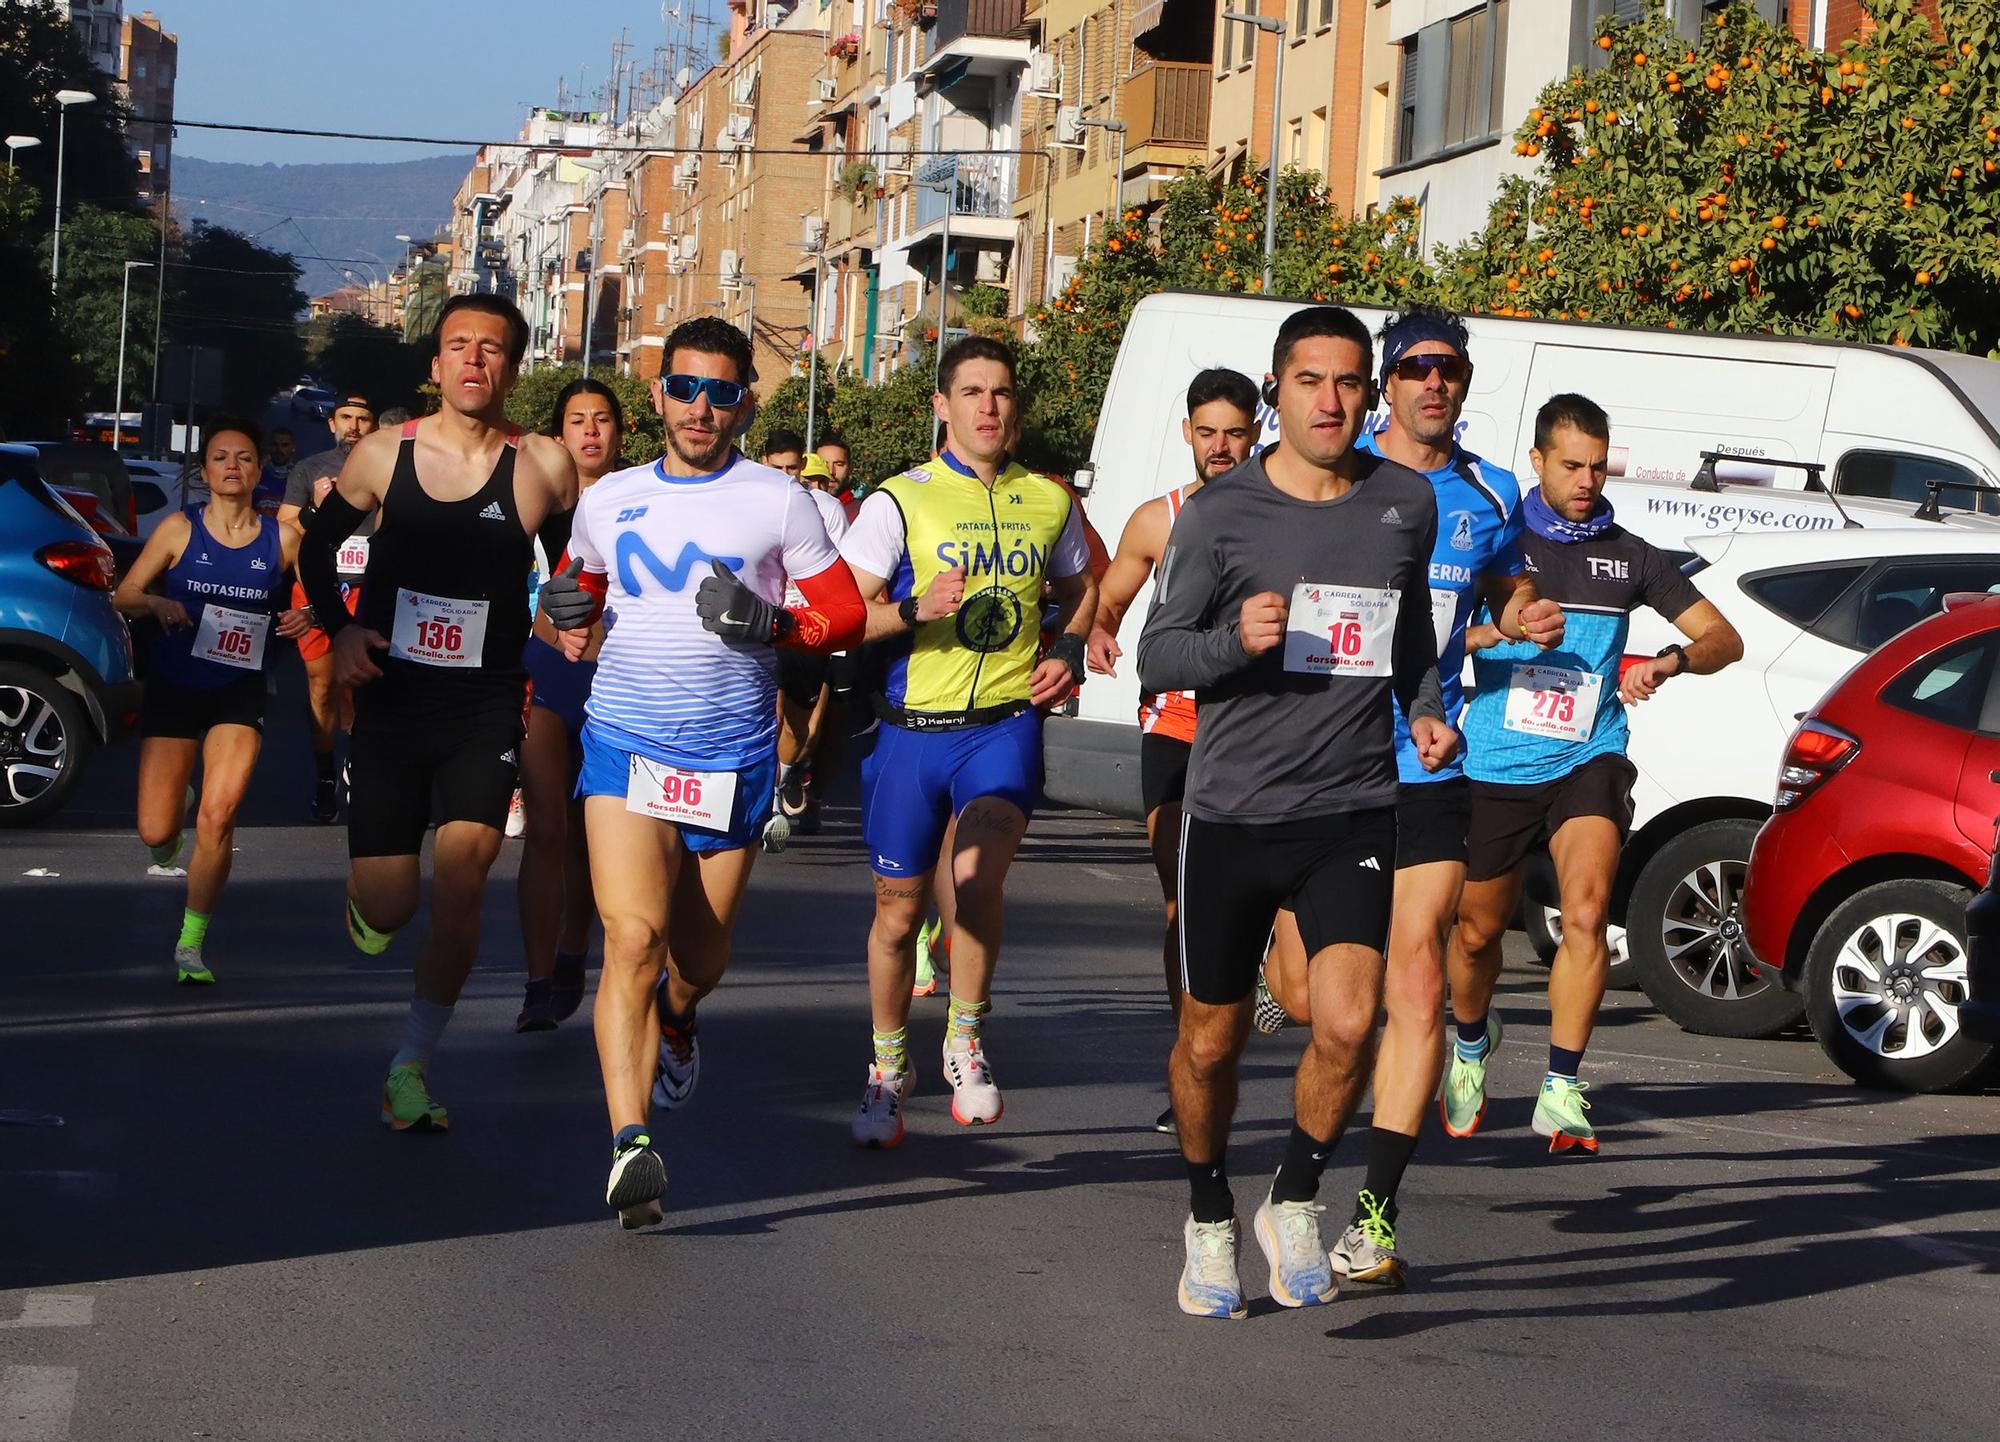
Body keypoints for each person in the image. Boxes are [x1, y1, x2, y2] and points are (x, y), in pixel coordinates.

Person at [1136, 305, 1456, 1320]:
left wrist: (1423, 709)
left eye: (1349, 381)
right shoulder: (1220, 512)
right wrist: (1234, 641)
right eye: (1310, 380)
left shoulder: (1404, 500)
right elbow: (1158, 655)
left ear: (1368, 395)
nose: (1331, 399)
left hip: (1353, 805)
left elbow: (1406, 638)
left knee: (1351, 1018)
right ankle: (1205, 1215)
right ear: (1275, 390)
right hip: (1229, 813)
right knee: (1208, 1044)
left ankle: (1294, 1194)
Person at [1252, 309, 1565, 1285]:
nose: (1434, 383)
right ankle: (1275, 956)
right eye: (1416, 368)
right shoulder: (1326, 475)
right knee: (1314, 1004)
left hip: (1425, 763)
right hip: (1315, 764)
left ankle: (1371, 1216)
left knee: (1417, 976)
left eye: (1449, 369)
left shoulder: (1487, 490)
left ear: (1462, 384)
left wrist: (1519, 610)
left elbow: (1499, 585)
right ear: (1385, 382)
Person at [537, 316, 866, 1227]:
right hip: (625, 744)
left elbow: (840, 617)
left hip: (729, 757)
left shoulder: (779, 501)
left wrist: (772, 627)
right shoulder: (610, 500)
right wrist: (562, 606)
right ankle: (629, 1142)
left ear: (746, 405)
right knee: (633, 940)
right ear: (658, 394)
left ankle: (681, 1019)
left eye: (723, 393)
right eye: (686, 388)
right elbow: (575, 594)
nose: (701, 408)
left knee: (697, 961)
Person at [297, 294, 579, 1133]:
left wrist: (574, 618)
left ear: (512, 369)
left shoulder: (544, 467)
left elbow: (577, 570)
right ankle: (368, 905)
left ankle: (410, 1064)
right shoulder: (382, 455)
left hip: (484, 702)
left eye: (491, 349)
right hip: (392, 695)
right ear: (434, 366)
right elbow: (318, 547)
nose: (473, 360)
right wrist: (340, 629)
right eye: (458, 345)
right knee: (390, 904)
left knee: (463, 879)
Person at [1445, 392, 1741, 1156]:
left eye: (1597, 465)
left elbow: (1724, 638)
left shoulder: (1631, 555)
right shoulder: (1494, 543)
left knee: (1585, 916)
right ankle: (1472, 1041)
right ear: (1538, 460)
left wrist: (1670, 662)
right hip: (1496, 760)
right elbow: (1436, 635)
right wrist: (1495, 628)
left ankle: (1562, 1084)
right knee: (1476, 934)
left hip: (1589, 752)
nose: (1586, 479)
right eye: (1570, 464)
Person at [840, 335, 1099, 1148]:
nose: (989, 406)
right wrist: (915, 610)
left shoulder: (1048, 498)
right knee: (897, 911)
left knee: (979, 877)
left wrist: (1064, 650)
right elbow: (846, 617)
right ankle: (887, 1067)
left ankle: (965, 1038)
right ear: (942, 407)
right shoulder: (898, 500)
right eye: (973, 392)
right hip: (912, 733)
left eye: (1002, 392)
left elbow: (1085, 587)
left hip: (1002, 726)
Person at [1086, 367, 1260, 1133]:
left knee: (1263, 904)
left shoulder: (1282, 514)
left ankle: (1253, 995)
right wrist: (1094, 630)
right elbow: (1113, 596)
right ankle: (1192, 1058)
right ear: (1188, 434)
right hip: (1177, 730)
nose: (1221, 446)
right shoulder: (1158, 519)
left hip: (1261, 733)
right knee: (1181, 900)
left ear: (1258, 433)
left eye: (1235, 431)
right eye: (1208, 432)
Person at [114, 422, 304, 984]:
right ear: (204, 471)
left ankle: (191, 944)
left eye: (244, 457)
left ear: (257, 467)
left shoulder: (283, 540)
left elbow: (315, 601)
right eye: (220, 458)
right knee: (155, 831)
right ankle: (171, 818)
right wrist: (155, 604)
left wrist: (305, 615)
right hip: (175, 686)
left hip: (239, 690)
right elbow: (124, 594)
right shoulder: (178, 529)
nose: (232, 466)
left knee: (219, 816)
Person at [514, 377, 624, 1032]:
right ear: (560, 435)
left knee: (589, 838)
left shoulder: (639, 502)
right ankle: (535, 982)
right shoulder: (538, 501)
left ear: (619, 432)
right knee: (548, 831)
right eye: (577, 420)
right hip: (545, 674)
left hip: (614, 683)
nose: (590, 431)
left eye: (602, 419)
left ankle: (572, 954)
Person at [279, 392, 379, 823]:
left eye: (363, 419)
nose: (354, 426)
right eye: (346, 417)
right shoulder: (309, 469)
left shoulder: (387, 468)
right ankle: (324, 776)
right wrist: (317, 509)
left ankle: (357, 762)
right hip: (316, 587)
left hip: (366, 588)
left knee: (360, 685)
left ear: (374, 427)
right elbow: (283, 529)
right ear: (332, 424)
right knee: (321, 687)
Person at [763, 450, 852, 849]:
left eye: (793, 468)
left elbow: (845, 569)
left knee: (807, 728)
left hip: (811, 629)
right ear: (764, 462)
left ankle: (788, 774)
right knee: (770, 713)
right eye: (778, 468)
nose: (789, 476)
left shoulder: (827, 509)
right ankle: (766, 802)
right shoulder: (753, 498)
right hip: (766, 625)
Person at [254, 427, 295, 517]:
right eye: (275, 444)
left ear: (293, 448)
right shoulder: (256, 472)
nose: (279, 449)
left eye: (284, 445)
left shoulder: (299, 476)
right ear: (269, 446)